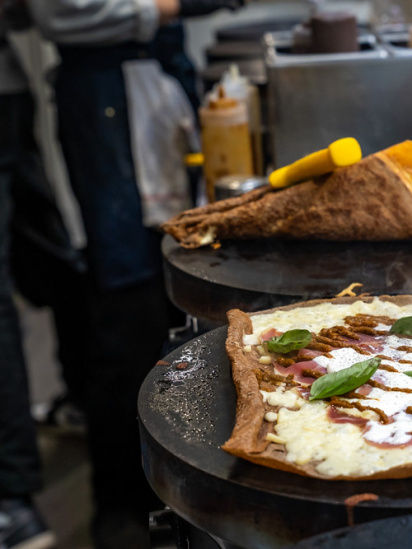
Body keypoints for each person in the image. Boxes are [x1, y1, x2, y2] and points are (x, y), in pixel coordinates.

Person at [23, 0, 241, 546]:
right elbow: (59, 14)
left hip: (163, 82)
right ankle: (122, 502)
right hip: (105, 99)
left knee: (178, 287)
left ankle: (186, 488)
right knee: (123, 305)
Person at [0, 3, 62, 548]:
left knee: (48, 259)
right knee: (46, 255)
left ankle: (10, 500)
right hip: (9, 86)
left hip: (9, 90)